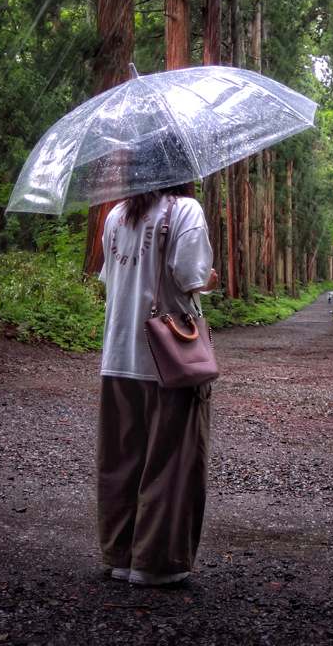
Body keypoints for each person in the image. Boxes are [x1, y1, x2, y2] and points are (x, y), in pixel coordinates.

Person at [97, 182, 217, 587]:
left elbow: (111, 279)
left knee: (121, 459)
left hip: (117, 356)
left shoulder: (116, 215)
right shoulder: (184, 210)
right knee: (171, 461)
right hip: (168, 359)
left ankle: (120, 555)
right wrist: (210, 279)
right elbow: (192, 277)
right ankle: (155, 564)